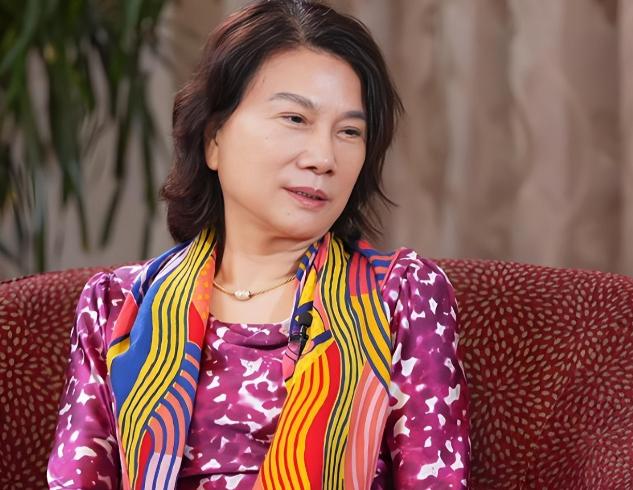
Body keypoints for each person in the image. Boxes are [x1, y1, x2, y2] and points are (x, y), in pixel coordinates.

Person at [47, 0, 470, 488]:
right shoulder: (118, 306)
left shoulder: (401, 295)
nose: (323, 157)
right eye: (295, 118)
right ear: (213, 138)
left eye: (350, 131)